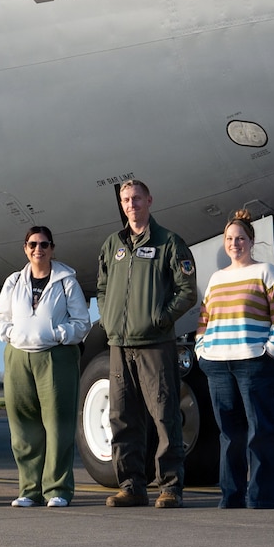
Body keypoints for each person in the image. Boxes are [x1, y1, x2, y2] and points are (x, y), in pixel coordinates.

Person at [96, 179, 199, 508]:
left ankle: (170, 486)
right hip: (119, 344)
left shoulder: (169, 242)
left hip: (155, 344)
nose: (131, 205)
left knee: (164, 415)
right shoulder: (113, 245)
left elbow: (187, 291)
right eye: (126, 200)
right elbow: (102, 287)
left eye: (136, 198)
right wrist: (109, 318)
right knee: (122, 416)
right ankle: (131, 485)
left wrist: (161, 318)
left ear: (149, 200)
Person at [195, 211, 274, 509]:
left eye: (240, 238)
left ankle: (264, 497)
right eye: (229, 239)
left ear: (251, 241)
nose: (234, 243)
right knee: (229, 434)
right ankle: (232, 495)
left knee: (261, 430)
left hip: (255, 362)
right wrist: (201, 347)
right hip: (218, 363)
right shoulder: (216, 278)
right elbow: (204, 317)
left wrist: (272, 349)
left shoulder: (266, 272)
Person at [0, 226, 89, 508]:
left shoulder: (66, 281)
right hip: (19, 356)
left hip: (56, 356)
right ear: (25, 248)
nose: (38, 250)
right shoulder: (13, 282)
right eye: (33, 244)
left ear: (52, 249)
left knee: (58, 424)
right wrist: (13, 335)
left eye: (44, 245)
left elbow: (82, 323)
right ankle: (29, 489)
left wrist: (56, 334)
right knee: (23, 424)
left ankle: (57, 489)